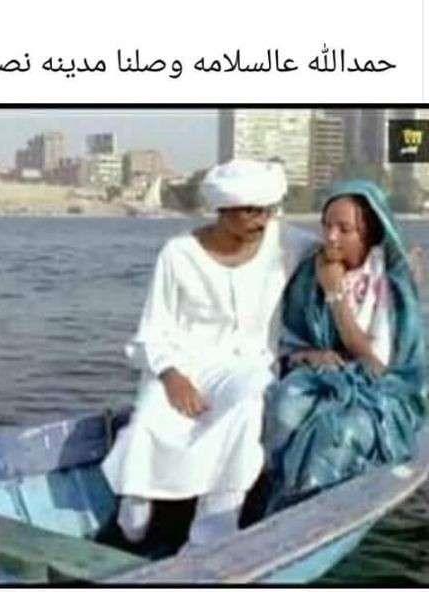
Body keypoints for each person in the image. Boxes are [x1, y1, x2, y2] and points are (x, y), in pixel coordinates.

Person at [101, 159, 317, 550]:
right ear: (223, 210)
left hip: (248, 365)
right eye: (251, 211)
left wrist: (402, 264)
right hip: (181, 363)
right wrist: (172, 376)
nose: (262, 220)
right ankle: (134, 512)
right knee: (151, 416)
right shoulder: (179, 253)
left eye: (267, 210)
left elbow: (344, 251)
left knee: (247, 405)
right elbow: (153, 330)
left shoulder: (286, 243)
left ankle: (213, 527)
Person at [263, 180, 427, 513]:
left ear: (369, 233)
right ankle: (274, 496)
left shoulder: (389, 280)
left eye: (344, 229)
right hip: (318, 377)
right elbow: (290, 340)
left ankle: (317, 505)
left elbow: (375, 361)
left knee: (340, 429)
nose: (331, 237)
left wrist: (335, 293)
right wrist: (310, 355)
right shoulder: (310, 271)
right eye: (326, 226)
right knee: (285, 406)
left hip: (381, 390)